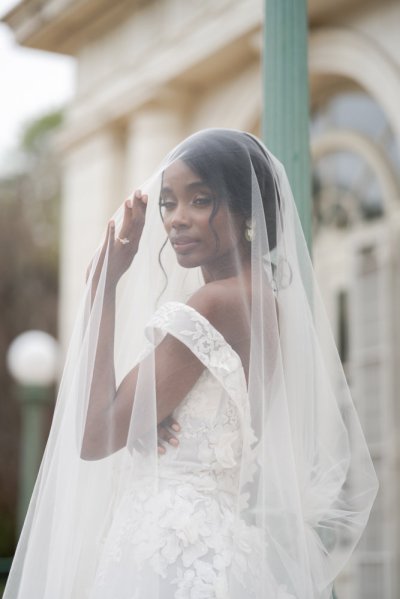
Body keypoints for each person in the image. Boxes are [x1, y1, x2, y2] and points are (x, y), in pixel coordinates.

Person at [4, 129, 378, 599]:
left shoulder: (213, 303)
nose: (177, 219)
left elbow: (96, 436)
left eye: (200, 200)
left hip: (170, 550)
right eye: (168, 203)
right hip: (220, 545)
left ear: (246, 211)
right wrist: (147, 421)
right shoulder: (265, 303)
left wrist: (105, 287)